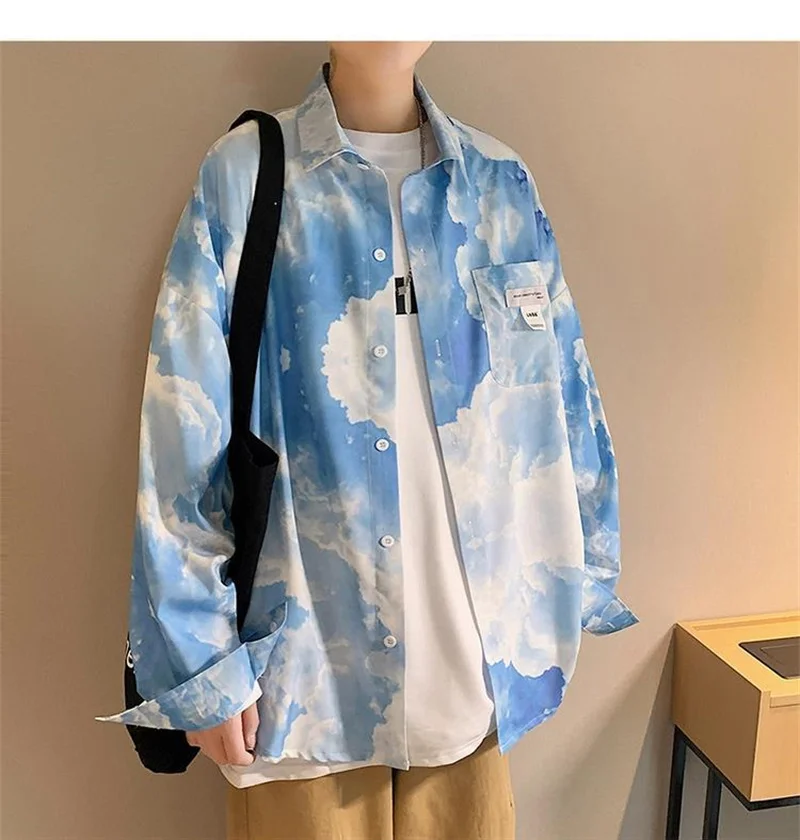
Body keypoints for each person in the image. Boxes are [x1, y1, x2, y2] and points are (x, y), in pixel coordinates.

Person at [95, 41, 639, 839]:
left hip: (478, 678)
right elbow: (181, 436)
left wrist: (578, 575)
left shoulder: (499, 184)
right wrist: (201, 666)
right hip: (302, 689)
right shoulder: (246, 175)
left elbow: (566, 399)